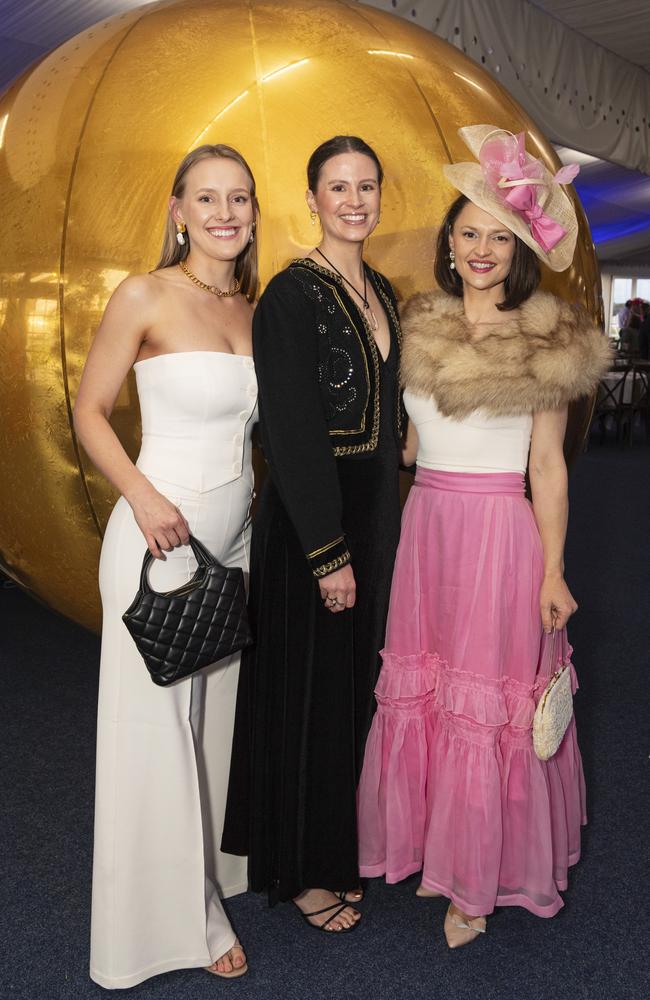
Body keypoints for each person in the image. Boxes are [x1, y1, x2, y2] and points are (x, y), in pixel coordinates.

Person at [357, 126, 610, 947]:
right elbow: (410, 442)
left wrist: (554, 572)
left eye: (498, 236)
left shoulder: (548, 337)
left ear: (520, 249)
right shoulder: (418, 326)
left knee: (489, 702)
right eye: (468, 232)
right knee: (429, 692)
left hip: (502, 536)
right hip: (426, 529)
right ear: (449, 242)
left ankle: (478, 886)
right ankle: (437, 847)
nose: (480, 249)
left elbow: (548, 466)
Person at [73, 144, 259, 986]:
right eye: (208, 198)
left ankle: (214, 871)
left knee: (213, 719)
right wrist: (144, 498)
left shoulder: (254, 309)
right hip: (158, 542)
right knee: (156, 732)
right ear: (178, 209)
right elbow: (88, 413)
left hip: (236, 538)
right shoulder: (145, 294)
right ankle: (181, 925)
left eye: (241, 199)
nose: (226, 213)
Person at [222, 136, 405, 933]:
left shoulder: (386, 291)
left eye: (367, 185)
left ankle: (333, 847)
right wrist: (327, 553)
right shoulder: (290, 297)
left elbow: (390, 414)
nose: (355, 200)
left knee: (348, 689)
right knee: (302, 694)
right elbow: (291, 436)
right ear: (313, 199)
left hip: (374, 513)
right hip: (309, 525)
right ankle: (296, 872)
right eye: (339, 186)